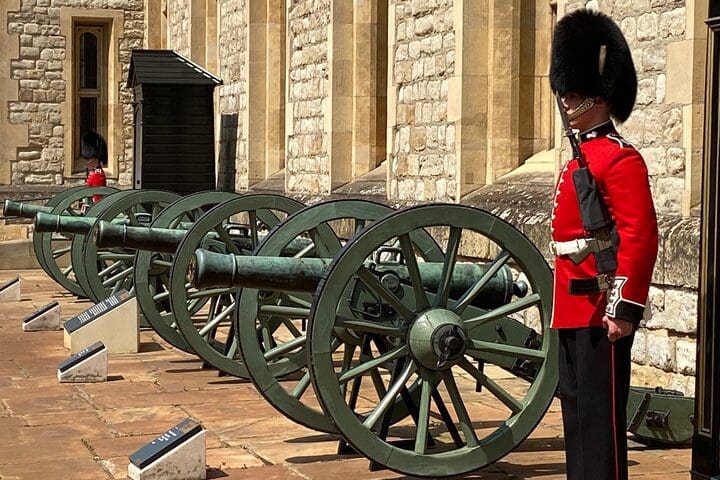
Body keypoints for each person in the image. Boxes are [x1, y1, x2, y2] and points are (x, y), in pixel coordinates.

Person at [548, 9, 659, 480]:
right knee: (576, 419)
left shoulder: (620, 160)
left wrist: (623, 307)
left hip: (600, 307)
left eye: (573, 92)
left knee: (601, 425)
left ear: (596, 98)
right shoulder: (580, 159)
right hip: (571, 307)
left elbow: (641, 235)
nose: (566, 100)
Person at [80, 131, 108, 204]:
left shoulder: (97, 174)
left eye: (89, 159)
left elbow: (97, 199)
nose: (87, 162)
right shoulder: (93, 173)